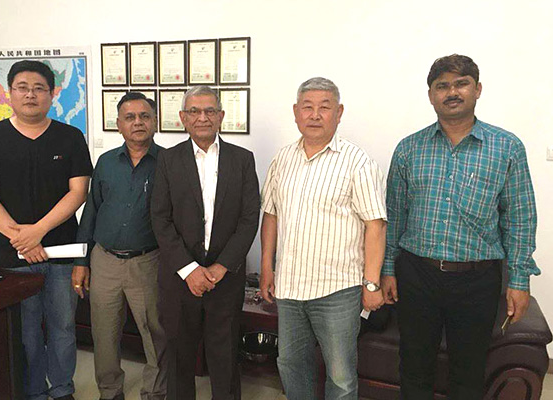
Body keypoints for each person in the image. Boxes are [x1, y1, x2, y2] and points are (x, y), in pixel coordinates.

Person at [381, 54, 540, 400]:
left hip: (477, 280)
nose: (452, 92)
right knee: (414, 365)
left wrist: (519, 280)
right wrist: (388, 269)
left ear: (477, 89)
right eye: (442, 86)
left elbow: (520, 218)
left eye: (461, 83)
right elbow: (394, 215)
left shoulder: (507, 147)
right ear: (431, 95)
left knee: (468, 372)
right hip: (417, 275)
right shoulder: (409, 149)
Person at [0, 60, 92, 400]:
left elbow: (78, 192)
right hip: (12, 255)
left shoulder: (70, 137)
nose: (30, 94)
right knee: (24, 331)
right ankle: (33, 391)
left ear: (52, 94)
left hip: (62, 252)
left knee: (63, 326)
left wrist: (37, 231)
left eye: (39, 88)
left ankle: (62, 389)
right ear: (9, 93)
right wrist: (21, 238)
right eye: (22, 87)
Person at [259, 77, 387, 400]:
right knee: (291, 364)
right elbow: (271, 215)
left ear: (339, 113)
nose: (315, 115)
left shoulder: (357, 162)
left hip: (337, 290)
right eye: (308, 107)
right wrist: (266, 267)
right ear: (296, 112)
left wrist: (371, 284)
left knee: (340, 377)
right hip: (289, 287)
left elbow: (375, 225)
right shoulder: (282, 159)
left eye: (324, 107)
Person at [151, 85, 260, 400]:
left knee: (225, 357)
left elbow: (249, 218)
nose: (202, 117)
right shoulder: (168, 160)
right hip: (180, 279)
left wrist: (221, 267)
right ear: (183, 117)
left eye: (210, 111)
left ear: (221, 116)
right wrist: (190, 270)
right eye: (194, 111)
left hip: (225, 279)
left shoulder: (242, 159)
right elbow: (160, 218)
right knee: (179, 357)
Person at [72, 92, 166, 400]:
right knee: (104, 332)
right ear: (118, 124)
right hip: (104, 261)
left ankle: (155, 392)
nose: (138, 122)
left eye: (144, 116)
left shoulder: (169, 162)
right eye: (130, 117)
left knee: (155, 332)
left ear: (155, 121)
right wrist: (81, 261)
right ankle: (110, 391)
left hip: (148, 261)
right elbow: (91, 211)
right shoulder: (106, 162)